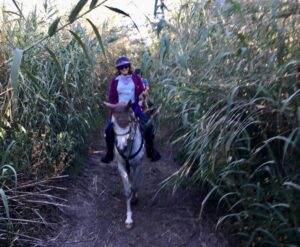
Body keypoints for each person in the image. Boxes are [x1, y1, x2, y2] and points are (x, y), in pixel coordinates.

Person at [101, 56, 161, 163]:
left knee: (150, 126)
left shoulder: (136, 78)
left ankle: (150, 150)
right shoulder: (115, 81)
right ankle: (110, 154)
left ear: (129, 66)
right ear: (118, 69)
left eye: (126, 66)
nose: (124, 68)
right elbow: (112, 98)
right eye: (121, 67)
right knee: (107, 130)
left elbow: (141, 92)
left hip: (134, 107)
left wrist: (143, 94)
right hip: (119, 109)